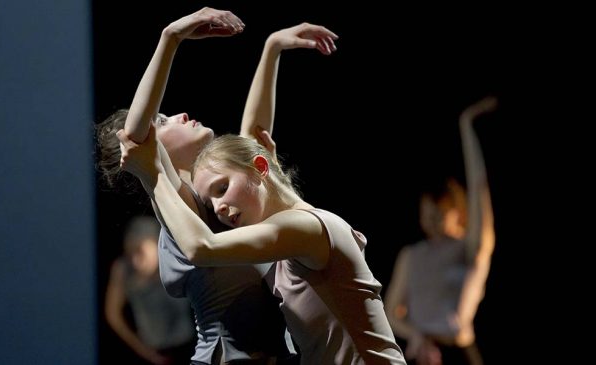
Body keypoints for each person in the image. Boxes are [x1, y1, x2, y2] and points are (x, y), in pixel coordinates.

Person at [96, 7, 339, 364]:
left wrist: (272, 48)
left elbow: (255, 140)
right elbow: (135, 133)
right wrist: (171, 36)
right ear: (154, 145)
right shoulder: (173, 198)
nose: (179, 114)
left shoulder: (223, 194)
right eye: (163, 120)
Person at [383, 97, 497, 365]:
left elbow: (479, 194)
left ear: (457, 211)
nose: (431, 218)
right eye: (427, 212)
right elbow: (391, 312)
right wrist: (415, 335)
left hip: (456, 351)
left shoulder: (468, 248)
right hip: (420, 352)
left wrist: (466, 128)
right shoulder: (411, 254)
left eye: (439, 211)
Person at [105, 216, 196, 365]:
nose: (139, 260)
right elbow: (113, 314)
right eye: (134, 252)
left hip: (187, 347)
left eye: (143, 250)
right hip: (152, 349)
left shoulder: (178, 261)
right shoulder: (124, 270)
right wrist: (144, 351)